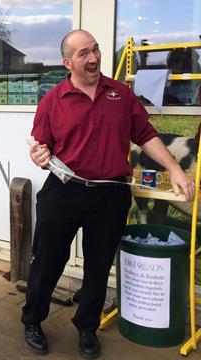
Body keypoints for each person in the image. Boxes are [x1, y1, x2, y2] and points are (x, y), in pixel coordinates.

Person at [21, 30, 194, 359]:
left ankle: (86, 327)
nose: (94, 58)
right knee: (47, 262)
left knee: (99, 267)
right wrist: (39, 156)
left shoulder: (120, 94)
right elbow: (40, 147)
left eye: (96, 49)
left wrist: (174, 167)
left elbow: (145, 134)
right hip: (64, 191)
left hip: (110, 194)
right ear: (67, 62)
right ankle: (32, 320)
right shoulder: (52, 101)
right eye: (84, 53)